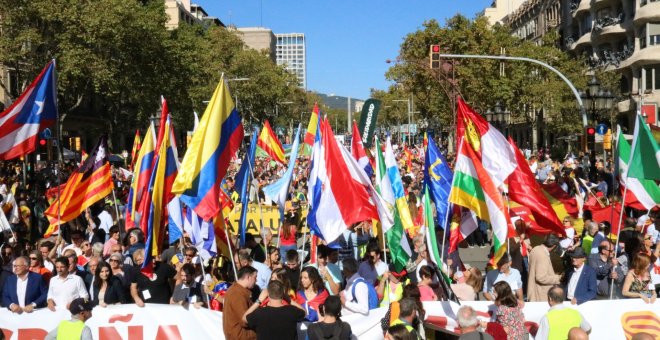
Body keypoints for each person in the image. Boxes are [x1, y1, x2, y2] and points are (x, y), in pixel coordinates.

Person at [223, 266, 258, 340]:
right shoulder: (237, 294)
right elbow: (245, 320)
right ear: (248, 277)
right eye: (255, 277)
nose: (256, 280)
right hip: (240, 336)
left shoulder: (235, 290)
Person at [528, 234, 562, 302]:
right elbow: (541, 277)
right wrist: (558, 278)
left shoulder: (535, 249)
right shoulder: (543, 255)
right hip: (540, 295)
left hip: (533, 291)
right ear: (554, 246)